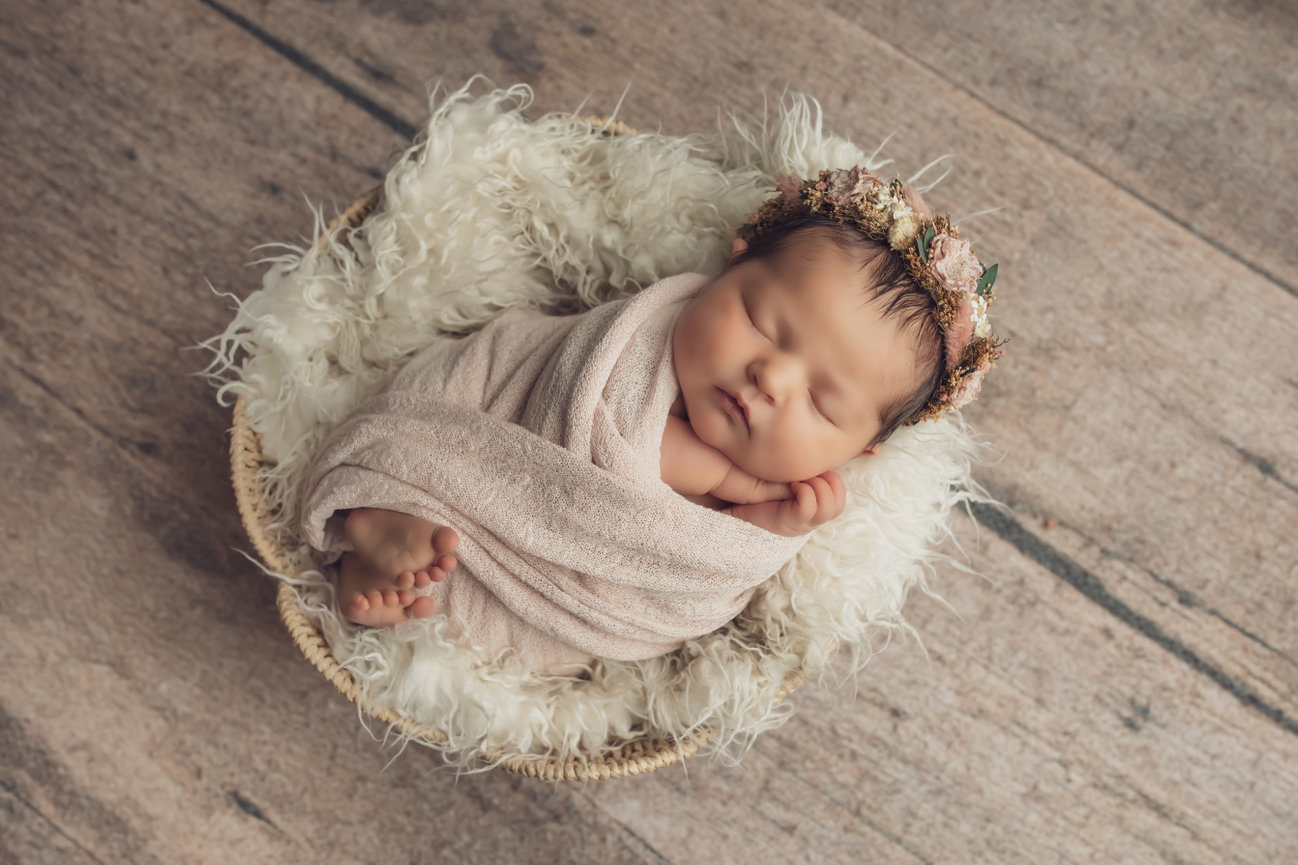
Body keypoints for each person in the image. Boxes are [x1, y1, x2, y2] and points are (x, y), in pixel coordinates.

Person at [312, 167, 1002, 633]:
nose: (772, 379)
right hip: (491, 425)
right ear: (731, 266)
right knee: (435, 402)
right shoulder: (636, 345)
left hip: (564, 595)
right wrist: (726, 476)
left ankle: (379, 556)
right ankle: (382, 508)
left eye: (822, 404)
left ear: (861, 449)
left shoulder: (779, 498)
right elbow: (607, 426)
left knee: (484, 615)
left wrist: (772, 527)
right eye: (762, 323)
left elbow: (693, 571)